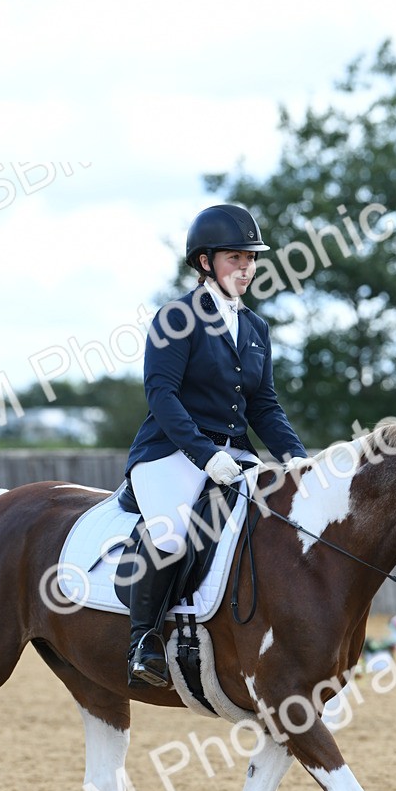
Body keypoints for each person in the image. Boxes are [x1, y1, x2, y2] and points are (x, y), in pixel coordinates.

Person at [125, 203, 308, 688]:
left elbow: (264, 406)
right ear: (205, 262)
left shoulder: (256, 328)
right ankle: (143, 641)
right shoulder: (177, 317)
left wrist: (298, 459)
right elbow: (161, 395)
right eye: (235, 258)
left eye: (251, 259)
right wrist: (206, 455)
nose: (246, 268)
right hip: (170, 453)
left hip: (236, 455)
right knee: (170, 535)